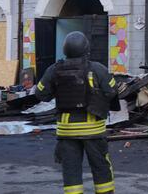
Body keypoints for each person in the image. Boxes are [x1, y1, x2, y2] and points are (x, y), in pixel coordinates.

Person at [36, 31, 119, 194]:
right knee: (101, 168)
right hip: (93, 130)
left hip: (66, 131)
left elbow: (41, 94)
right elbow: (112, 91)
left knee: (71, 172)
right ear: (86, 49)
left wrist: (58, 90)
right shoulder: (97, 69)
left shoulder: (54, 70)